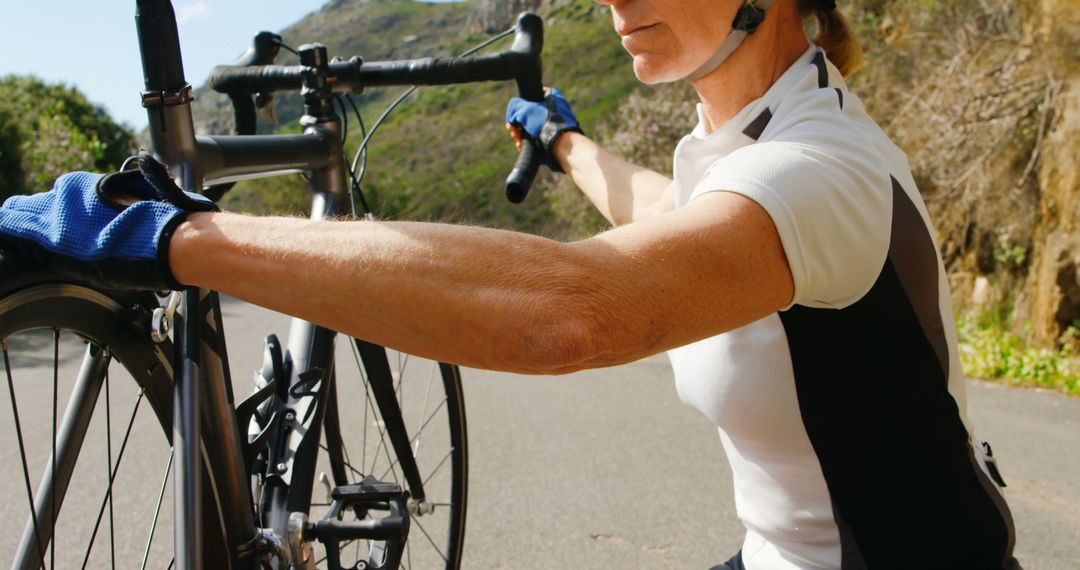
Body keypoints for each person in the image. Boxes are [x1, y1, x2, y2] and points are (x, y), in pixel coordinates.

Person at [0, 0, 1021, 568]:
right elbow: (660, 216)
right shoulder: (747, 144)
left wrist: (184, 238)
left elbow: (566, 313)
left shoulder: (821, 169)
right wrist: (566, 142)